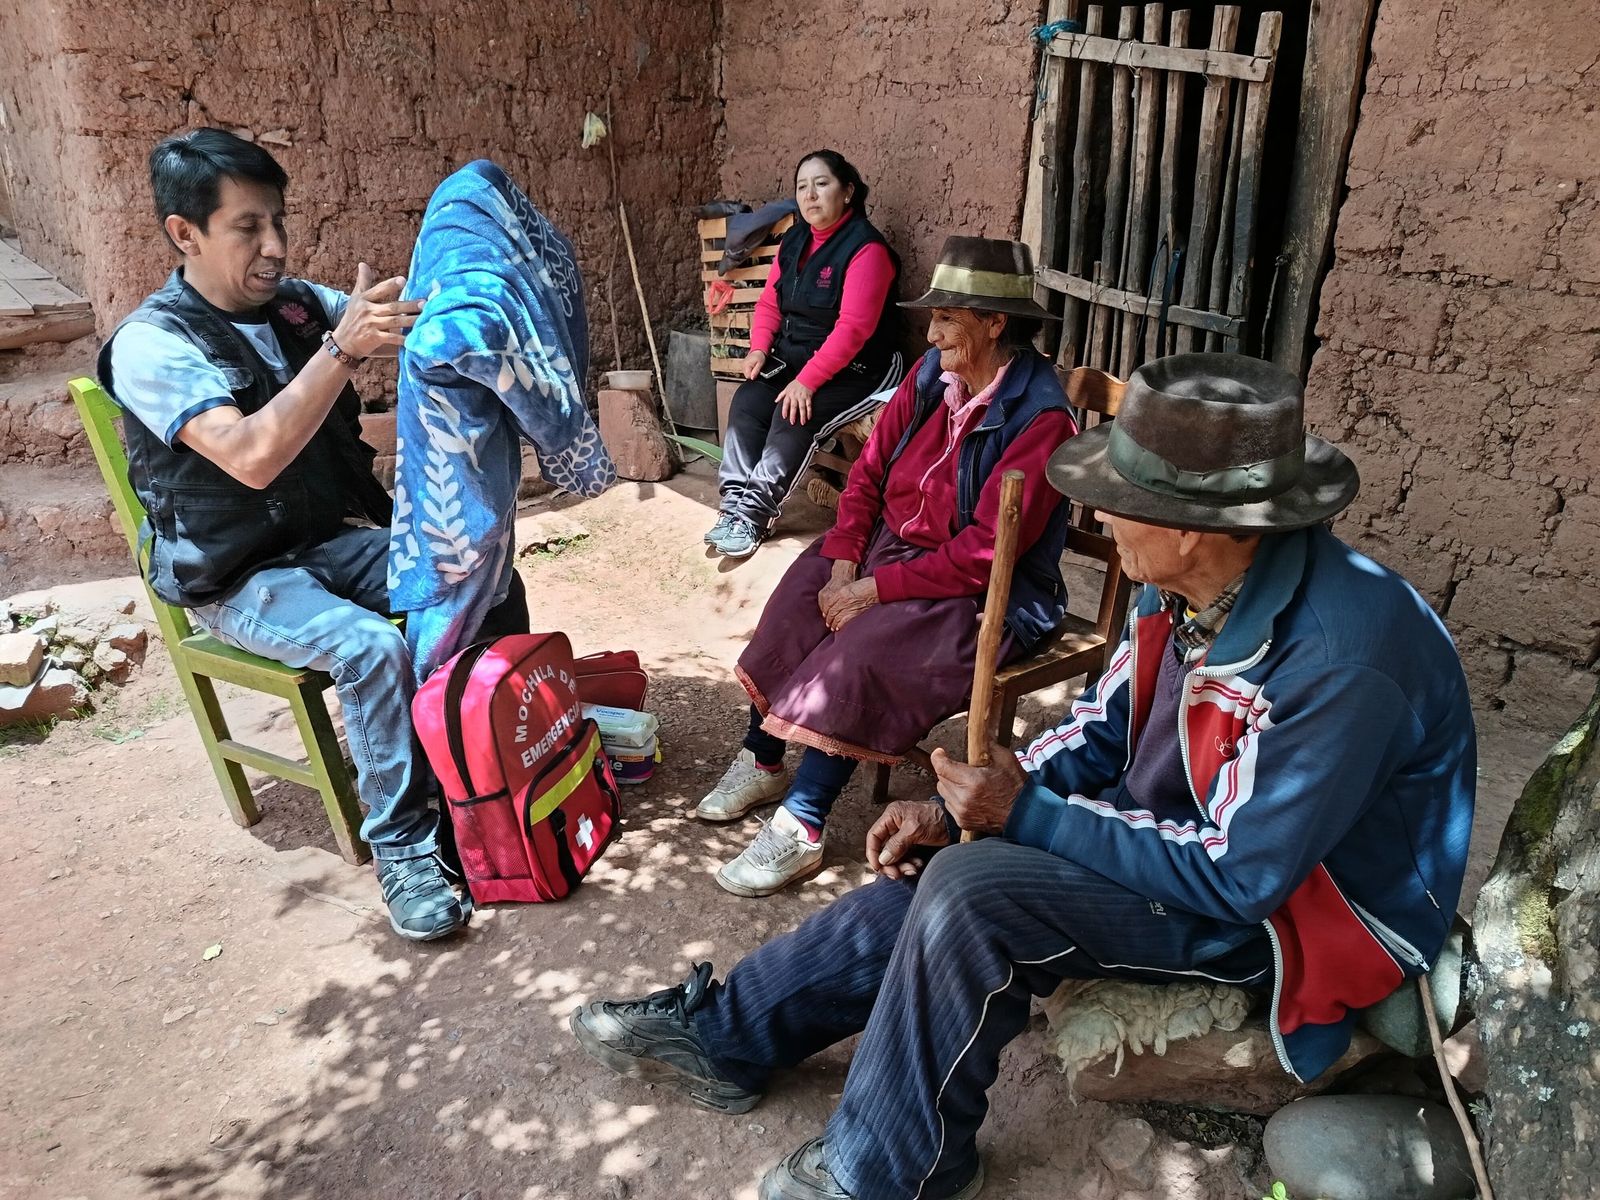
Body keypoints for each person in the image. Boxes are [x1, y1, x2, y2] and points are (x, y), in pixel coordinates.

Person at [570, 353, 1477, 1200]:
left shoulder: (1342, 659)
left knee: (976, 893)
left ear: (1198, 529)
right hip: (1199, 842)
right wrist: (956, 806)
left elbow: (1244, 879)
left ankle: (891, 1166)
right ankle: (730, 1037)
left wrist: (1029, 817)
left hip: (1305, 915)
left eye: (1118, 502)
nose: (1101, 518)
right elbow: (1104, 727)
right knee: (950, 859)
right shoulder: (1187, 584)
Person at [98, 129, 520, 942]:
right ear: (184, 234)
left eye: (280, 221)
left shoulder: (290, 304)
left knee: (480, 567)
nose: (276, 246)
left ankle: (485, 760)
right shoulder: (153, 344)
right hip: (236, 575)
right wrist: (340, 348)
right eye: (248, 227)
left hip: (324, 540)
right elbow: (252, 456)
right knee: (370, 649)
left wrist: (456, 301)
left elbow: (393, 321)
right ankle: (403, 846)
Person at [698, 236, 1079, 898]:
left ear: (996, 323)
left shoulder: (1040, 418)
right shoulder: (933, 375)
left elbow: (987, 551)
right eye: (932, 318)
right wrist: (847, 562)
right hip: (891, 552)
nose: (932, 333)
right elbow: (869, 474)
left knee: (866, 650)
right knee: (797, 600)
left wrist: (876, 591)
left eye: (948, 319)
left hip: (986, 591)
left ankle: (805, 821)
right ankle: (762, 758)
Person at [709, 150, 904, 559]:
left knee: (794, 414)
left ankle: (754, 517)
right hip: (797, 359)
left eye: (822, 184)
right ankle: (732, 507)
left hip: (861, 368)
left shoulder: (867, 251)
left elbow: (853, 330)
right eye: (802, 187)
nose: (810, 195)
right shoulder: (794, 241)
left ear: (848, 191)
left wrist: (806, 382)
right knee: (748, 401)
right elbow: (769, 305)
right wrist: (760, 349)